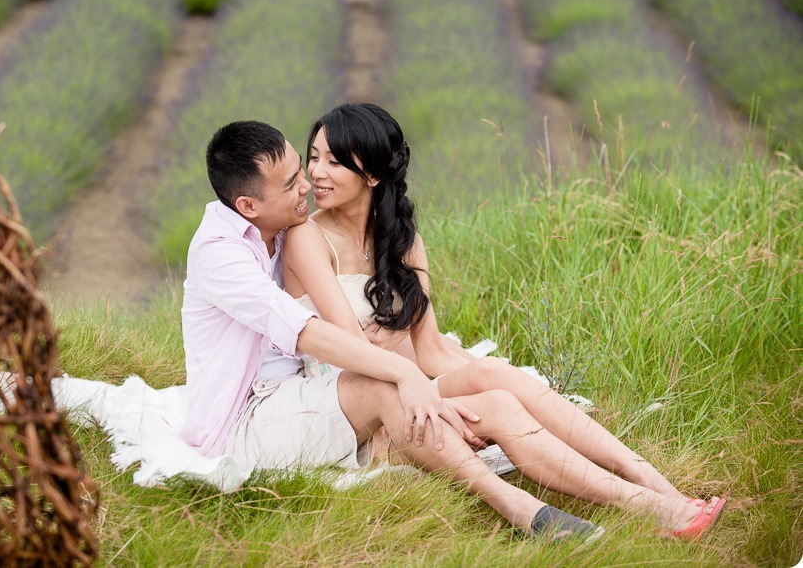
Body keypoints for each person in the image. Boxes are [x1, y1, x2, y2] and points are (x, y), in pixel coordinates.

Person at [280, 103, 726, 539]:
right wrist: (442, 402)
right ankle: (644, 504)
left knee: (493, 375)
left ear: (373, 174)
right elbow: (355, 352)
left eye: (334, 161)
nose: (316, 172)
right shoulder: (307, 237)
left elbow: (432, 349)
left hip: (412, 389)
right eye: (314, 157)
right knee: (494, 402)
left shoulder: (402, 239)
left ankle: (647, 478)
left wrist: (484, 388)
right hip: (359, 411)